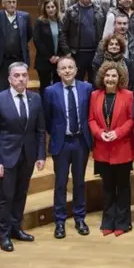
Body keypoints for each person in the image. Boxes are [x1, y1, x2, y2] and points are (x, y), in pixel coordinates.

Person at [0, 62, 46, 252]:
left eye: (24, 75)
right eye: (17, 75)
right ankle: (3, 235)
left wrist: (41, 155)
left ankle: (15, 228)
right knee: (6, 196)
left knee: (20, 194)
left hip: (27, 156)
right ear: (9, 79)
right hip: (6, 157)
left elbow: (40, 130)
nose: (21, 79)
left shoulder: (35, 99)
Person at [43, 57, 93, 239]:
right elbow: (47, 119)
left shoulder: (87, 88)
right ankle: (60, 221)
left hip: (81, 142)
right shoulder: (50, 91)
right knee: (61, 184)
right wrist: (57, 133)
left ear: (76, 69)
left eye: (70, 67)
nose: (67, 71)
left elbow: (90, 114)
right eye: (63, 68)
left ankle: (80, 218)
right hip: (61, 142)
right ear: (58, 72)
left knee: (79, 182)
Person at [89, 62, 134, 236]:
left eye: (114, 76)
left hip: (122, 147)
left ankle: (123, 222)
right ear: (103, 77)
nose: (110, 78)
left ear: (120, 78)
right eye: (107, 75)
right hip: (103, 147)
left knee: (123, 187)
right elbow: (91, 120)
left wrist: (117, 133)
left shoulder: (128, 95)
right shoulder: (95, 95)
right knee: (108, 187)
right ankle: (108, 221)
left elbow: (132, 120)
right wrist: (100, 133)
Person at [0, 0, 33, 93]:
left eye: (14, 2)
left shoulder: (24, 16)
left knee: (19, 87)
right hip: (2, 60)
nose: (12, 4)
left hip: (19, 59)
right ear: (3, 4)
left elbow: (28, 35)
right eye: (9, 2)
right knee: (1, 89)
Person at [63, 0, 107, 82]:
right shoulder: (71, 11)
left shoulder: (100, 10)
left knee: (95, 82)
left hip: (96, 53)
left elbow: (105, 31)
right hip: (77, 54)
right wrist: (67, 51)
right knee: (77, 82)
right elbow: (63, 32)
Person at [33, 0, 69, 97]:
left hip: (58, 60)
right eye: (48, 7)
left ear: (56, 8)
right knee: (45, 86)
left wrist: (59, 56)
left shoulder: (60, 21)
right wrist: (50, 57)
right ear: (44, 9)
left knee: (58, 86)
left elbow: (63, 40)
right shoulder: (40, 22)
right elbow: (37, 41)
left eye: (52, 7)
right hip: (44, 60)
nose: (50, 9)